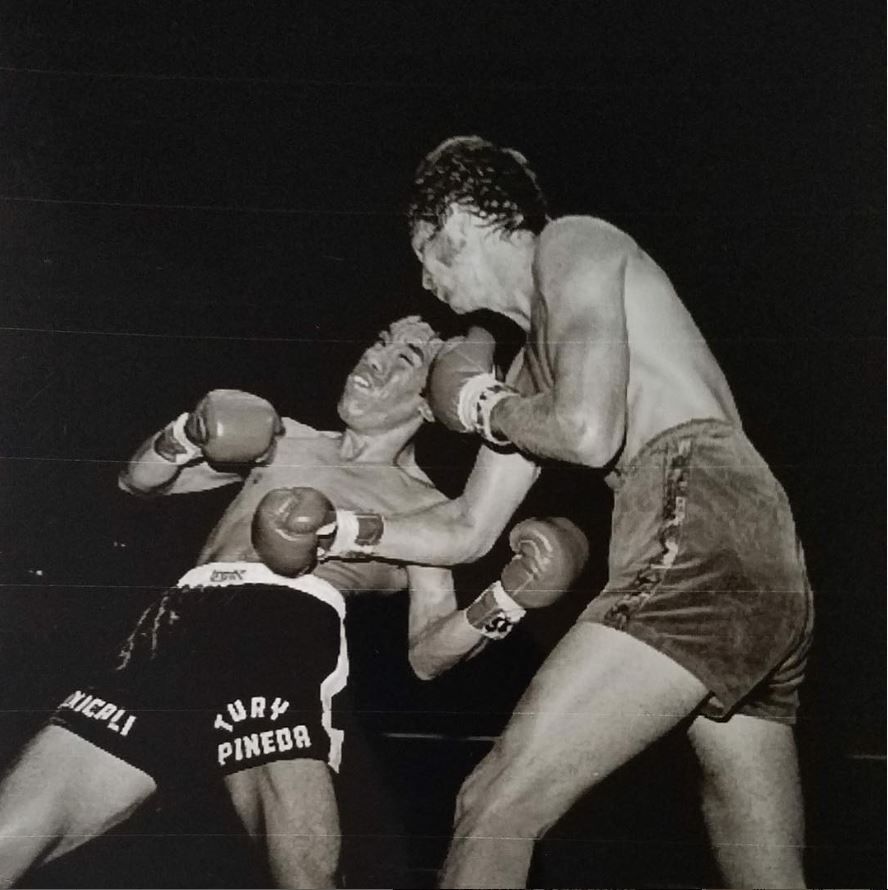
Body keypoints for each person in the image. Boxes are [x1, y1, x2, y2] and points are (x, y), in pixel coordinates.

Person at [269, 138, 815, 889]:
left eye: (424, 250)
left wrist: (486, 405)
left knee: (494, 801)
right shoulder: (532, 368)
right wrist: (349, 527)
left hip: (697, 511)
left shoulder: (572, 242)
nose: (423, 277)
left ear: (458, 219)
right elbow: (468, 530)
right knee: (767, 871)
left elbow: (589, 435)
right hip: (756, 559)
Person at [0, 314, 590, 889]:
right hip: (171, 631)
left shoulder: (423, 507)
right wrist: (185, 433)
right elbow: (139, 480)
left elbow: (428, 654)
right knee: (10, 836)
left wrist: (506, 600)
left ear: (430, 401)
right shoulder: (283, 437)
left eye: (402, 360)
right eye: (379, 343)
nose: (371, 361)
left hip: (280, 639)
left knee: (305, 873)